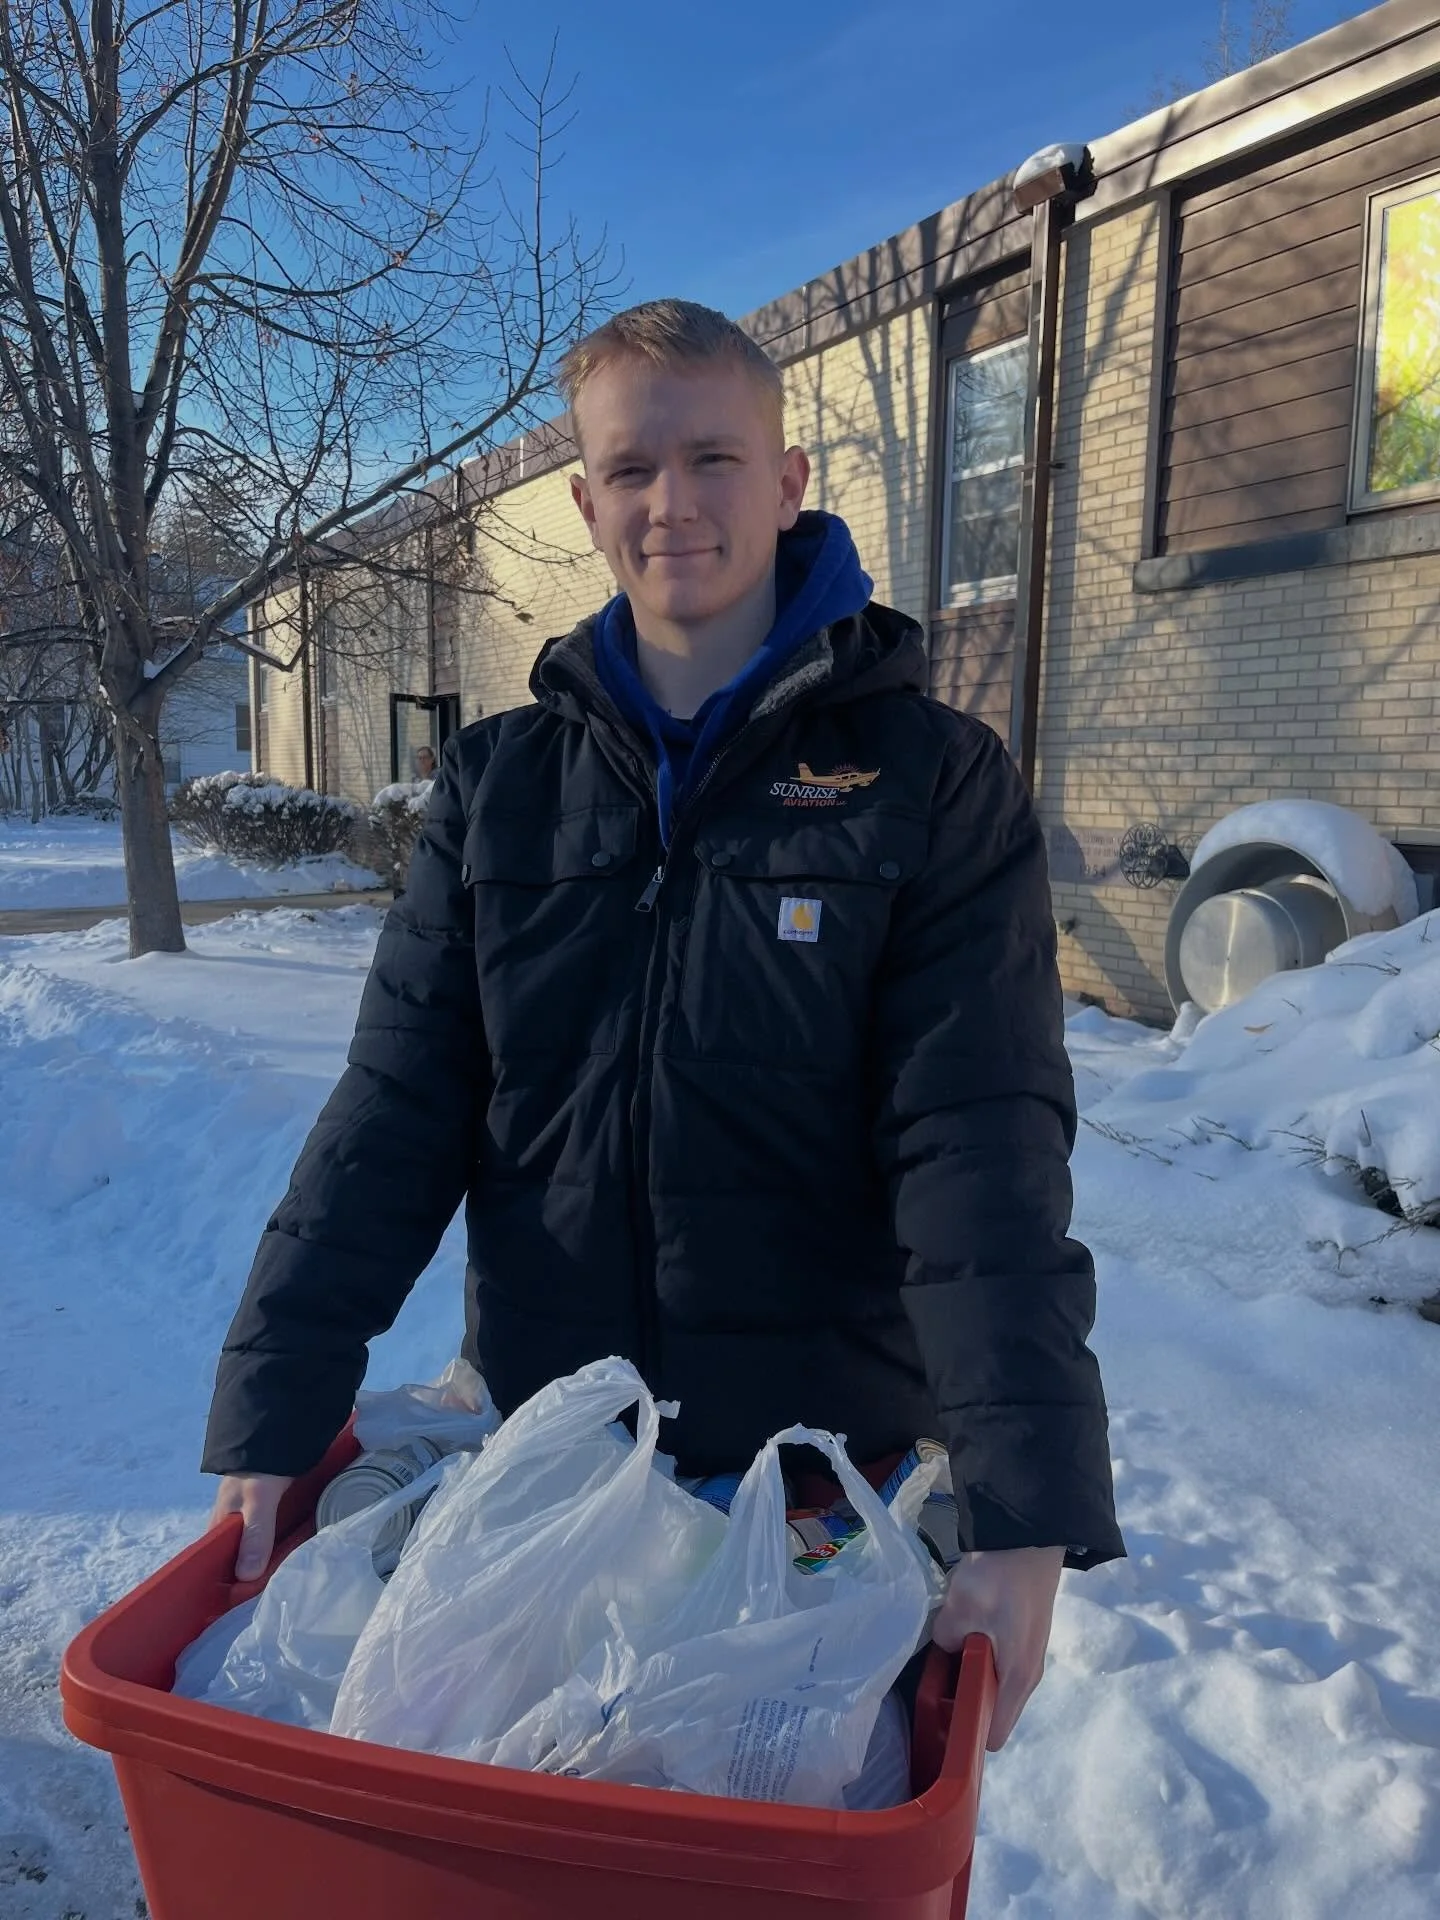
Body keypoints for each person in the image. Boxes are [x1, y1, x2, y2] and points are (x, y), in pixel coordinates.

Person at [204, 299, 1123, 1753]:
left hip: (819, 1498)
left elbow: (982, 1149)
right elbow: (396, 1111)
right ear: (586, 500)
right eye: (633, 469)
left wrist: (1025, 1510)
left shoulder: (931, 784)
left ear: (787, 480)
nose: (673, 504)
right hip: (551, 1472)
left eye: (713, 459)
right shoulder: (500, 784)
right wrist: (273, 1409)